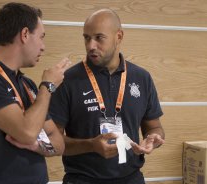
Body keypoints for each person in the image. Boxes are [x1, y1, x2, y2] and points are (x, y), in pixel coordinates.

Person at [50, 9, 165, 184]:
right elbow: (53, 141)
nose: (91, 46)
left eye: (99, 37)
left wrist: (153, 139)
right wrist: (91, 145)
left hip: (131, 178)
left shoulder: (141, 78)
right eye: (86, 38)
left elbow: (154, 127)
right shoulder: (68, 80)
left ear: (118, 36)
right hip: (82, 179)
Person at [0, 2, 71, 184]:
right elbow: (27, 132)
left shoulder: (27, 84)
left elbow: (58, 144)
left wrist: (37, 145)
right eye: (41, 37)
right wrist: (48, 86)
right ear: (25, 34)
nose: (43, 47)